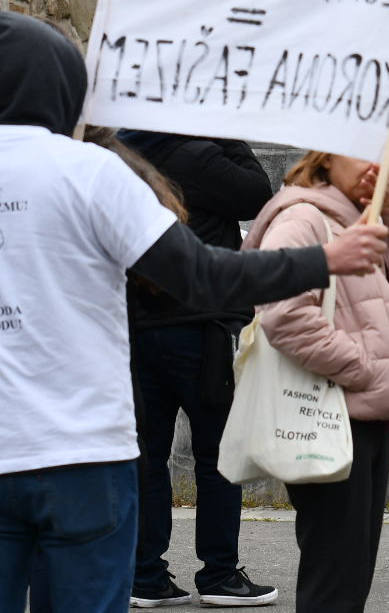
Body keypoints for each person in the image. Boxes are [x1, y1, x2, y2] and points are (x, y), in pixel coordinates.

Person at [0, 11, 389, 613]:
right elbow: (204, 276)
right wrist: (324, 260)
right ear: (57, 83)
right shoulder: (90, 170)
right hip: (82, 456)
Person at [247, 152, 389, 613]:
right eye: (363, 152)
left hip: (366, 420)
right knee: (334, 585)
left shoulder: (365, 219)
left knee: (349, 582)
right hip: (327, 420)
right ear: (326, 157)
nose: (377, 166)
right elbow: (285, 315)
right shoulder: (303, 219)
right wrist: (371, 372)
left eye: (383, 154)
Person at [117, 132, 278, 608]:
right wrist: (229, 135)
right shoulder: (200, 155)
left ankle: (145, 574)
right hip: (202, 326)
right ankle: (220, 575)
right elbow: (255, 193)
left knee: (147, 454)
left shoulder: (121, 158)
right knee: (217, 452)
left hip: (139, 324)